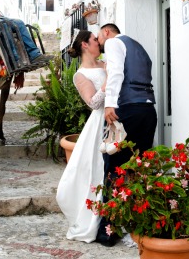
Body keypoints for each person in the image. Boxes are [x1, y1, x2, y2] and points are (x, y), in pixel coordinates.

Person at [96, 23, 158, 246]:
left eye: (99, 39)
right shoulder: (140, 48)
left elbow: (116, 73)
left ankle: (109, 230)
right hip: (148, 110)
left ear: (106, 32)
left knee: (113, 166)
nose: (100, 45)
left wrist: (110, 104)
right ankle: (141, 224)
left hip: (128, 109)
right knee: (140, 167)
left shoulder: (114, 42)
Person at [56, 30, 106, 243]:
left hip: (120, 115)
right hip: (101, 120)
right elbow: (93, 102)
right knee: (97, 169)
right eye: (95, 39)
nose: (99, 42)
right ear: (85, 45)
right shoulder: (81, 74)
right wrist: (109, 81)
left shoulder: (105, 64)